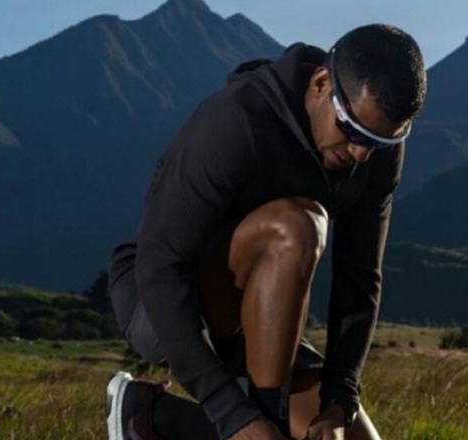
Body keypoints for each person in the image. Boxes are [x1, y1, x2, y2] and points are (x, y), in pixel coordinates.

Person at [105, 23, 426, 440]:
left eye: (379, 142)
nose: (361, 154)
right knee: (298, 224)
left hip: (265, 317)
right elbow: (161, 267)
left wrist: (339, 399)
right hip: (163, 303)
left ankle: (151, 417)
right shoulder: (237, 121)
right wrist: (228, 410)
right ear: (320, 83)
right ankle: (243, 419)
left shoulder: (375, 148)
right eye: (351, 131)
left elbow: (359, 278)